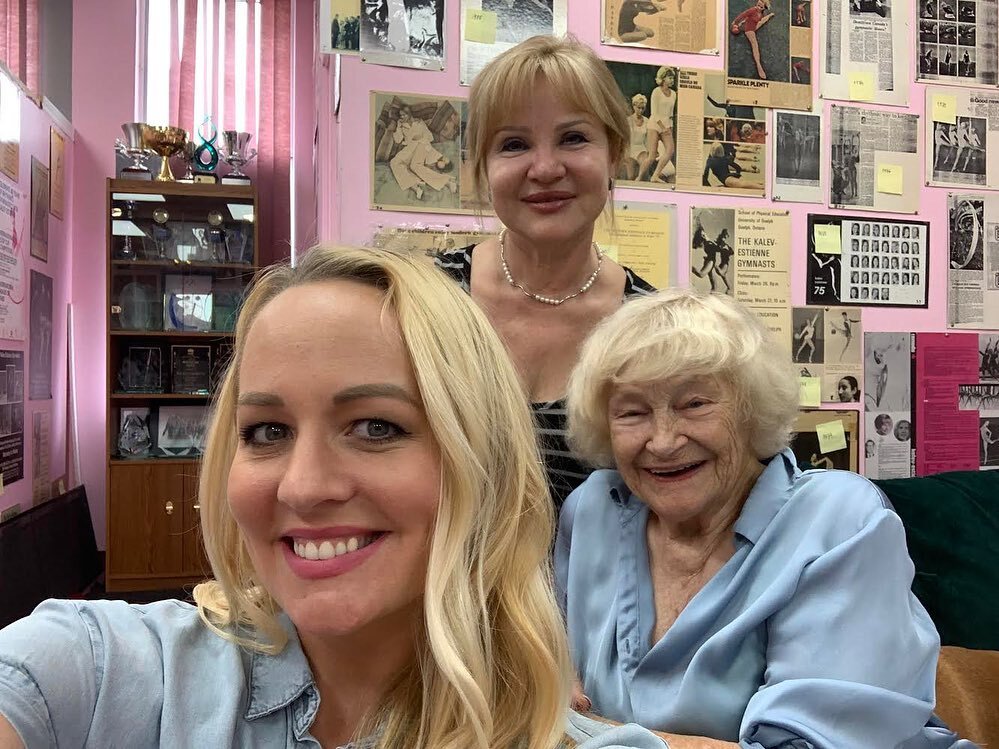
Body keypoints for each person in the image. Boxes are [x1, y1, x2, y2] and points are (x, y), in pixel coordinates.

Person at [0, 247, 667, 749]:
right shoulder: (110, 673)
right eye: (267, 431)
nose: (304, 485)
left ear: (480, 459)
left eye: (376, 426)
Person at [556, 289, 975, 748]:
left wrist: (592, 733)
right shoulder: (593, 510)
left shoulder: (835, 520)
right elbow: (541, 675)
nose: (663, 441)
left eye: (694, 404)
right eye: (632, 412)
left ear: (751, 407)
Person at [436, 35, 655, 511]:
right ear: (482, 167)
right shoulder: (427, 300)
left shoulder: (650, 329)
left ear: (613, 153)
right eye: (513, 144)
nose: (545, 168)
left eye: (573, 138)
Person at [643, 67, 677, 183]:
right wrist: (663, 128)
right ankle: (638, 178)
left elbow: (671, 114)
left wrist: (669, 128)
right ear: (663, 78)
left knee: (670, 150)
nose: (672, 80)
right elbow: (654, 113)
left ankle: (655, 176)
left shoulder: (673, 94)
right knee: (652, 155)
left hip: (666, 126)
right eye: (670, 77)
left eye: (673, 78)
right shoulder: (656, 91)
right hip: (654, 125)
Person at [731, 0, 774, 79]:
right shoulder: (753, 10)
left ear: (764, 8)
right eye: (757, 5)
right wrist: (735, 22)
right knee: (755, 45)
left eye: (761, 7)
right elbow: (743, 14)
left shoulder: (760, 13)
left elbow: (750, 18)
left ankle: (770, 15)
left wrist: (742, 22)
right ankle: (759, 65)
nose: (758, 7)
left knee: (763, 21)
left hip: (754, 26)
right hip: (749, 30)